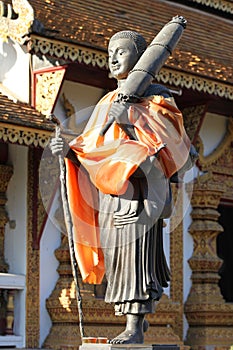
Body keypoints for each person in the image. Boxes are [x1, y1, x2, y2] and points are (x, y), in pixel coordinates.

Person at [50, 29, 193, 344]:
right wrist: (70, 152)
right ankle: (131, 323)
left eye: (122, 51)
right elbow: (94, 148)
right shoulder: (106, 102)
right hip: (111, 194)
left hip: (140, 192)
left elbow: (173, 145)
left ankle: (135, 322)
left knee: (136, 259)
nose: (113, 58)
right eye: (110, 52)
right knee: (117, 261)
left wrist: (131, 120)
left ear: (140, 58)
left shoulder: (156, 96)